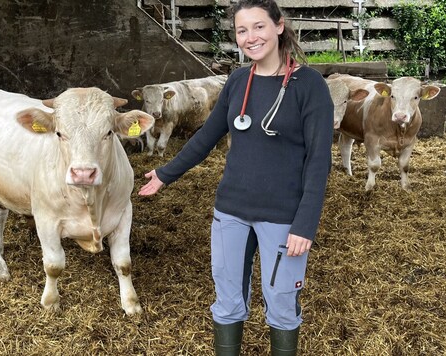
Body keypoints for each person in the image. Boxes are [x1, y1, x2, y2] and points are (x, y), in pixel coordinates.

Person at [138, 0, 334, 355]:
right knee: (227, 300)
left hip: (284, 216)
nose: (250, 37)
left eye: (258, 27)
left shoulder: (310, 86)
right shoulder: (238, 80)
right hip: (231, 210)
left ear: (278, 26)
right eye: (242, 31)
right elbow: (206, 136)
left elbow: (319, 160)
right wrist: (167, 173)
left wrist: (305, 224)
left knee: (282, 303)